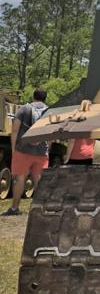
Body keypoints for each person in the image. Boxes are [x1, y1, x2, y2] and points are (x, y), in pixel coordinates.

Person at [2, 88, 49, 216]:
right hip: (41, 151)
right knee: (39, 179)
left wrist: (13, 148)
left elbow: (15, 130)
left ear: (33, 96)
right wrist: (47, 148)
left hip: (23, 149)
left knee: (20, 178)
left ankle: (14, 208)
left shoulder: (24, 109)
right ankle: (40, 208)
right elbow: (51, 133)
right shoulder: (49, 111)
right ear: (45, 98)